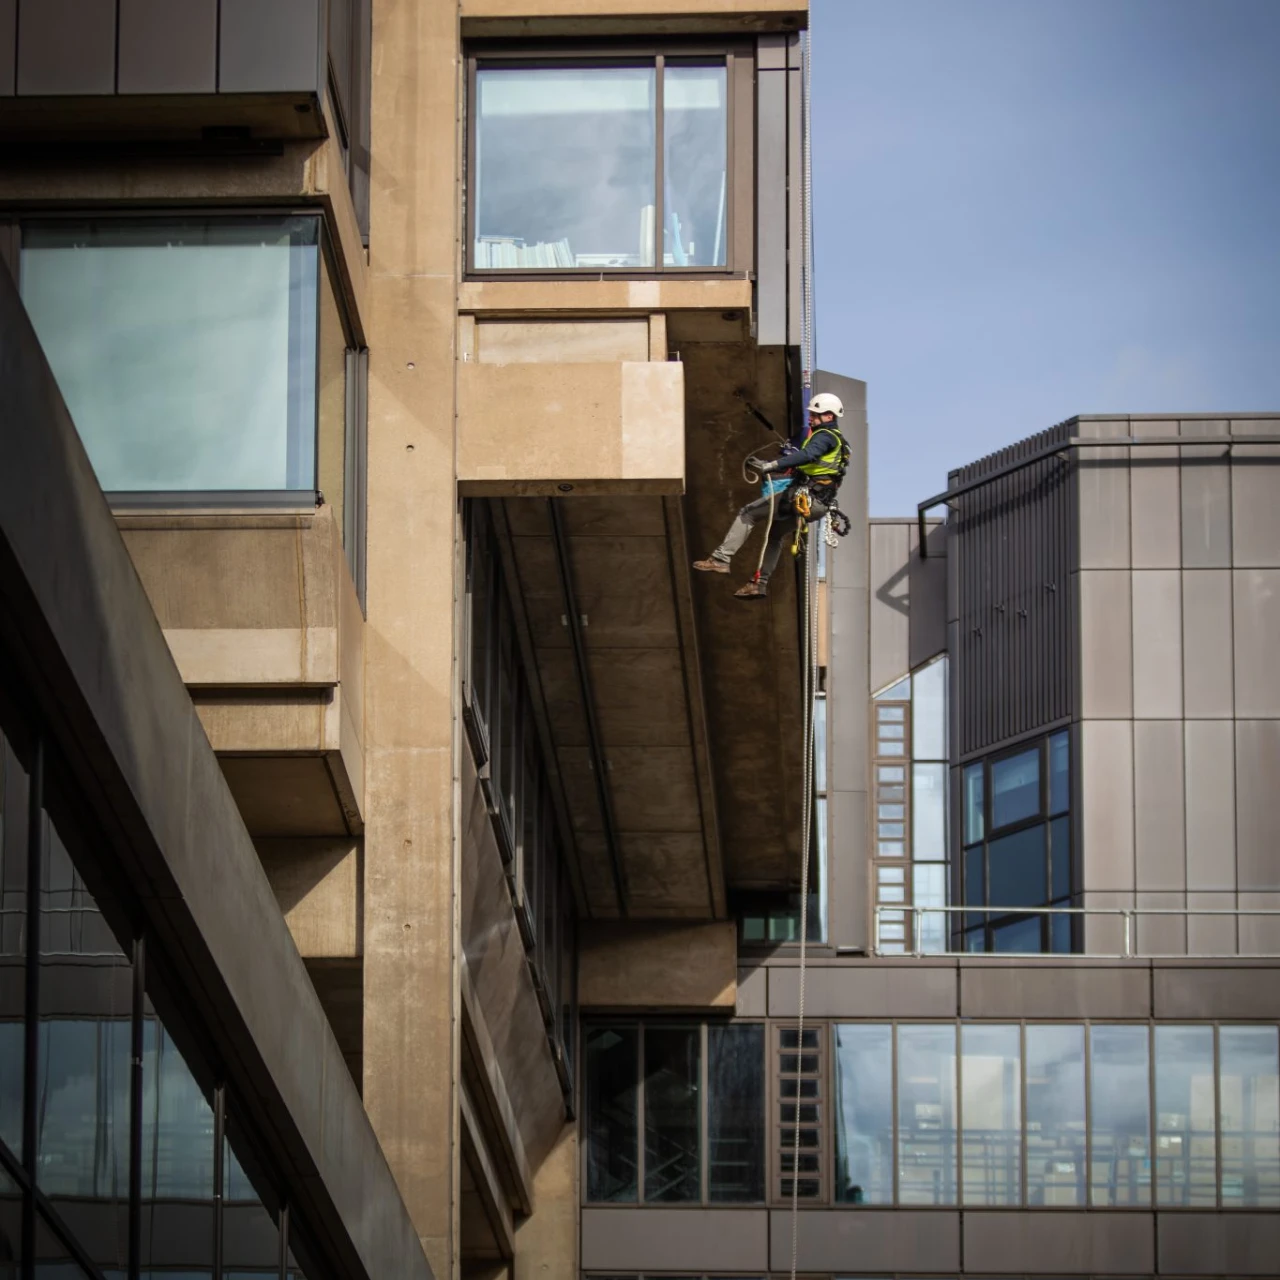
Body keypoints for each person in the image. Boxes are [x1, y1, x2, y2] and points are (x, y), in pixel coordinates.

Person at [693, 392, 849, 599]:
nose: (810, 418)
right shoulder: (840, 443)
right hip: (817, 504)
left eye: (815, 414)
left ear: (829, 416)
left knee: (747, 513)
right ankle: (759, 584)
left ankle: (721, 559)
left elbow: (807, 455)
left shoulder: (825, 436)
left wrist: (772, 465)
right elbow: (812, 467)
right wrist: (773, 467)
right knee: (775, 535)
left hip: (804, 498)